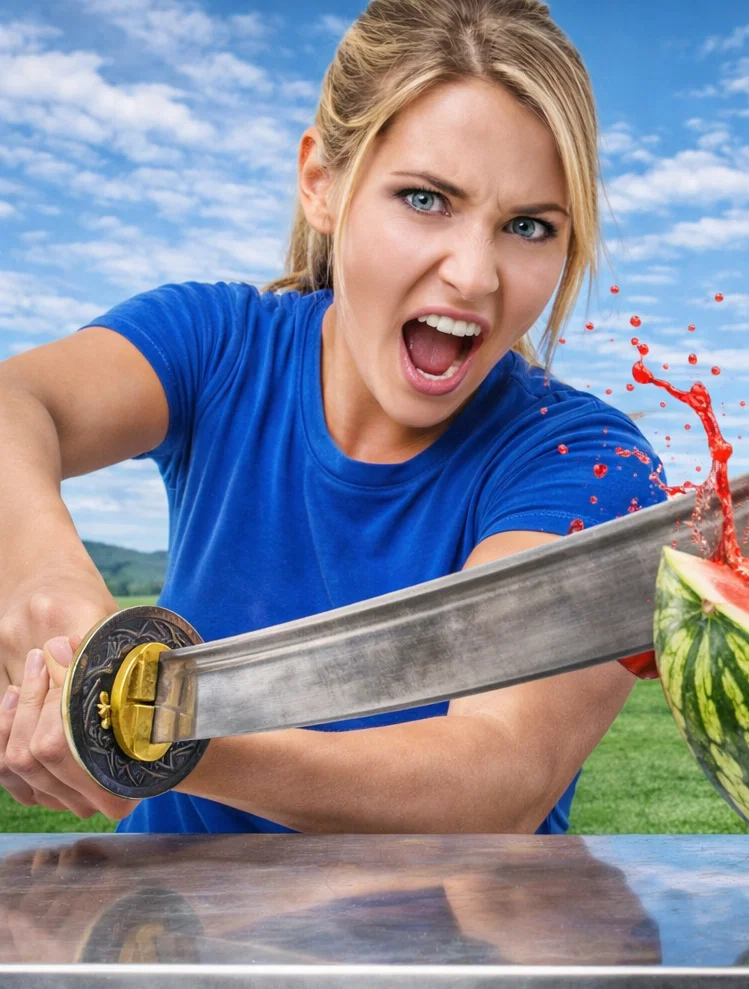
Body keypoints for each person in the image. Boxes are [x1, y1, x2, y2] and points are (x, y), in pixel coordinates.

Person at [0, 0, 666, 834]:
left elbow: (499, 774)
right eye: (426, 199)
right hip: (172, 940)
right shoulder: (217, 346)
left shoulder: (588, 463)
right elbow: (15, 402)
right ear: (322, 183)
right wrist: (40, 579)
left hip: (455, 964)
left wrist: (161, 730)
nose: (474, 274)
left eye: (528, 226)